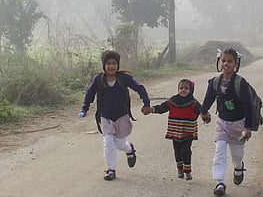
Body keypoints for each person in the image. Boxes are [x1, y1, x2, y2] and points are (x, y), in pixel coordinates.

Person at [79, 50, 152, 181]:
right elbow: (89, 94)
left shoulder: (124, 78)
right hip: (105, 116)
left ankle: (129, 149)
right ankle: (111, 169)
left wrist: (146, 103)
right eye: (108, 63)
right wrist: (84, 109)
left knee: (119, 144)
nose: (111, 66)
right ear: (104, 65)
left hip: (122, 116)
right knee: (108, 142)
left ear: (118, 65)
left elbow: (140, 88)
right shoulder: (98, 79)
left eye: (114, 63)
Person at [199, 47, 257, 197]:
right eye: (223, 61)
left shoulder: (241, 83)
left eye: (230, 61)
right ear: (219, 62)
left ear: (236, 63)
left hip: (239, 124)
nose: (226, 64)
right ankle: (220, 182)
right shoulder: (215, 82)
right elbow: (209, 98)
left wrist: (248, 127)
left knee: (237, 154)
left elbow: (249, 106)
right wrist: (204, 112)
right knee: (219, 150)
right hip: (222, 123)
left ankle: (238, 167)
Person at [150, 79, 202, 180]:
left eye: (186, 88)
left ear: (191, 90)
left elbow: (201, 111)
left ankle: (187, 171)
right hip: (175, 131)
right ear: (178, 89)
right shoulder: (172, 101)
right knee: (177, 151)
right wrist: (151, 110)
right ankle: (180, 169)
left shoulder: (194, 103)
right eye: (181, 88)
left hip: (188, 132)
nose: (183, 90)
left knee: (186, 151)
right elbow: (161, 108)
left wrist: (205, 115)